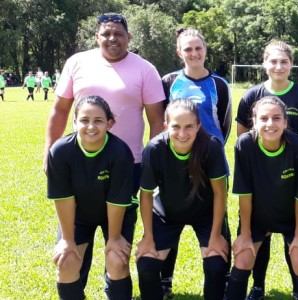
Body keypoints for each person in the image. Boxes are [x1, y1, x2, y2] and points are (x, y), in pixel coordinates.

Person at [44, 11, 165, 293]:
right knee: (70, 256)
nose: (112, 39)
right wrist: (49, 150)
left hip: (127, 166)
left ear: (129, 38)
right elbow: (60, 110)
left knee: (117, 253)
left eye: (119, 34)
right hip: (80, 166)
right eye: (106, 34)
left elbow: (157, 120)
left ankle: (115, 288)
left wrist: (150, 162)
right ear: (97, 36)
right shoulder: (77, 62)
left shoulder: (145, 69)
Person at [235, 39, 298, 300]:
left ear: (291, 64)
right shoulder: (251, 98)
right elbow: (241, 132)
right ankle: (256, 286)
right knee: (249, 251)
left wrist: (288, 153)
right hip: (260, 202)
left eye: (284, 61)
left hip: (288, 193)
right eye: (273, 61)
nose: (279, 66)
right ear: (264, 63)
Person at [159, 28, 233, 298]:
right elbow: (161, 123)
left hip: (210, 163)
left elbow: (223, 125)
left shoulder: (220, 84)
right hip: (174, 164)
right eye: (187, 49)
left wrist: (207, 152)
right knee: (170, 220)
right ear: (179, 52)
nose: (193, 53)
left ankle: (222, 279)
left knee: (217, 218)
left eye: (198, 48)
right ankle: (164, 280)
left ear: (205, 49)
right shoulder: (168, 82)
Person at [136, 100, 231, 300]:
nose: (182, 133)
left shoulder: (211, 146)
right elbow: (145, 195)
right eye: (176, 126)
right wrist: (148, 236)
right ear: (165, 126)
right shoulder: (154, 149)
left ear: (198, 126)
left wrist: (215, 235)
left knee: (216, 264)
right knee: (147, 264)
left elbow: (220, 193)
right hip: (167, 212)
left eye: (189, 126)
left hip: (205, 213)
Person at [47, 96, 135, 299]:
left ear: (109, 123)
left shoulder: (120, 152)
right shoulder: (60, 152)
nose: (91, 126)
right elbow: (63, 198)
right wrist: (67, 240)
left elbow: (116, 201)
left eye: (98, 120)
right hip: (79, 215)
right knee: (66, 260)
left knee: (116, 259)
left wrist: (114, 239)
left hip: (115, 214)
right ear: (75, 121)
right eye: (84, 120)